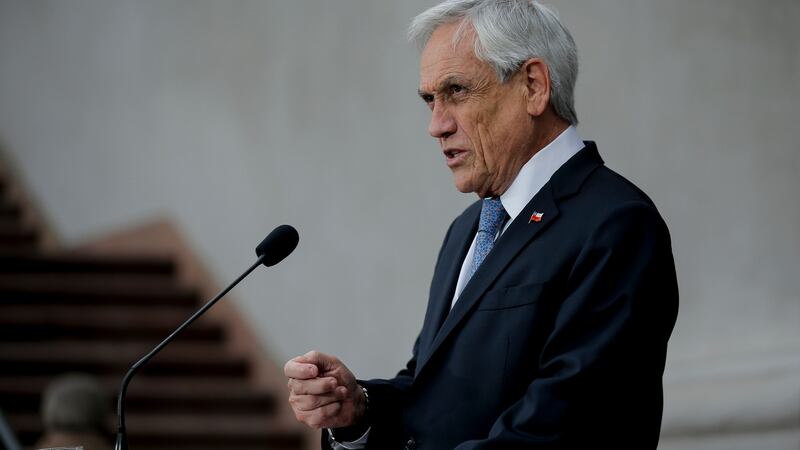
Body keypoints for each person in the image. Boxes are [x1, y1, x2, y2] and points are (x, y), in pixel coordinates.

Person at [284, 1, 678, 449]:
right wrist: (359, 410)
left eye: (456, 91)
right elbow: (432, 393)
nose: (436, 126)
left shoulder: (616, 224)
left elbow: (564, 428)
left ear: (533, 86)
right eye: (429, 100)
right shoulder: (468, 229)